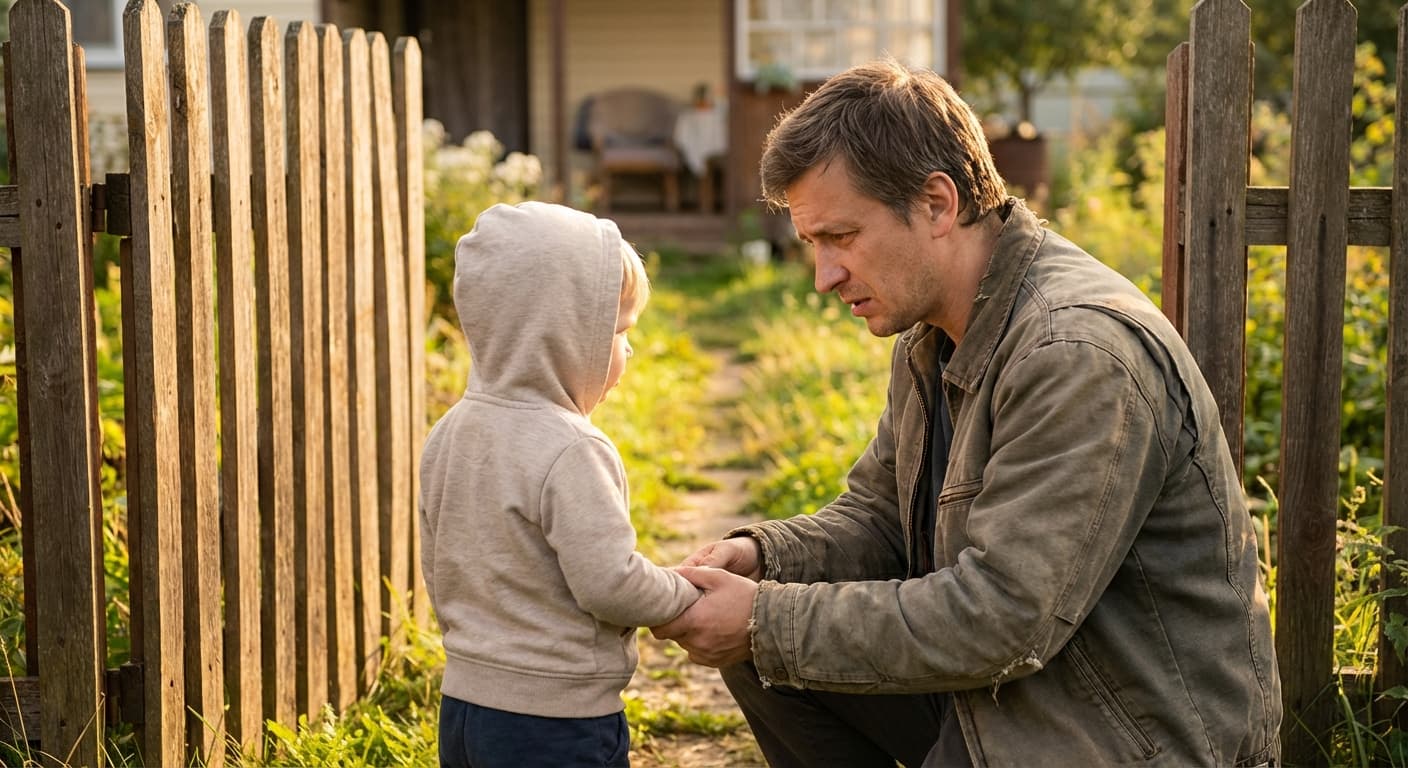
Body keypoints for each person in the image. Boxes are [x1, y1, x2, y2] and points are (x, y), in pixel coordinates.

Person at [650, 58, 1282, 767]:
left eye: (842, 237)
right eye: (813, 245)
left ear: (938, 204)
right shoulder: (934, 330)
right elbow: (880, 517)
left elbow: (1005, 619)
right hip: (1018, 697)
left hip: (1122, 738)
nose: (825, 276)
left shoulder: (1073, 353)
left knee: (770, 635)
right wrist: (763, 558)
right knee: (768, 651)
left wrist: (765, 620)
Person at [421, 201, 700, 768]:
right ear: (565, 332)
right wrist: (682, 595)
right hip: (555, 720)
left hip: (464, 708)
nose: (629, 349)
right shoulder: (572, 448)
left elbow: (439, 562)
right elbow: (609, 583)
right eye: (620, 331)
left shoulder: (450, 431)